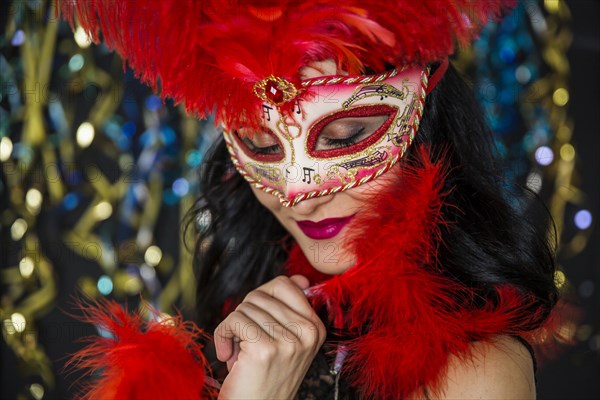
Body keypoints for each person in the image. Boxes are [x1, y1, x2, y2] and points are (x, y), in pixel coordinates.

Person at [62, 1, 559, 399]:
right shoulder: (232, 329)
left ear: (424, 126)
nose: (300, 196)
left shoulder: (476, 374)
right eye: (261, 145)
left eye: (344, 138)